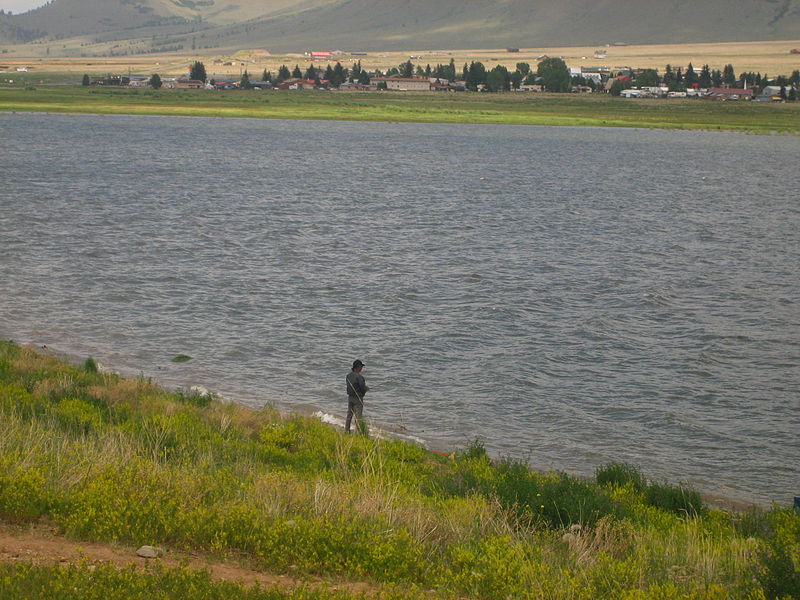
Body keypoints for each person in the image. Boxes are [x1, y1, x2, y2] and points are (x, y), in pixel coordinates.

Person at [345, 359, 369, 433]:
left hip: (350, 398)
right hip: (358, 399)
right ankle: (360, 433)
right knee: (358, 417)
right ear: (358, 367)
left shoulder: (348, 376)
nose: (362, 368)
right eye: (361, 367)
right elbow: (362, 388)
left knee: (349, 415)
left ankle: (347, 430)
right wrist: (366, 389)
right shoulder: (360, 377)